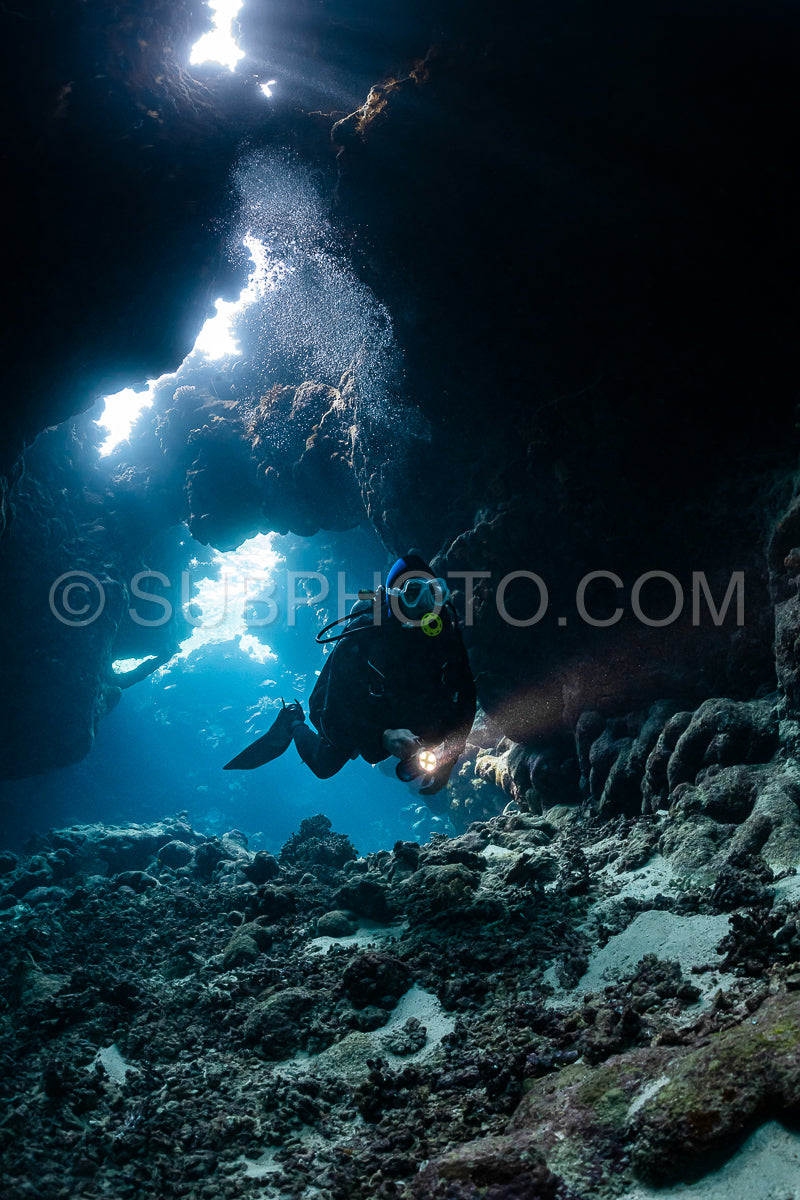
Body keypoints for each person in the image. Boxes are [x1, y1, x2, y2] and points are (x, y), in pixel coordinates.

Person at [224, 553, 476, 799]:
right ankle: (292, 722)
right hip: (361, 712)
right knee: (324, 767)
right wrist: (382, 736)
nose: (425, 607)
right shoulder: (363, 637)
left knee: (443, 727)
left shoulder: (444, 633)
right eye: (412, 594)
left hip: (406, 706)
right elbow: (333, 713)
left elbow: (466, 693)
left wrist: (450, 758)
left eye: (432, 594)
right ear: (394, 598)